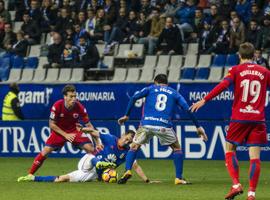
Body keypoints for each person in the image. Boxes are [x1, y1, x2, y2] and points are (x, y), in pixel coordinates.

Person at [190, 42, 270, 200]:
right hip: (258, 119)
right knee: (255, 158)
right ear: (254, 55)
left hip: (239, 117)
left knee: (230, 149)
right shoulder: (265, 72)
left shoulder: (235, 70)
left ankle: (236, 184)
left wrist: (205, 100)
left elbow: (223, 86)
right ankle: (252, 194)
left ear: (239, 56)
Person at [117, 74, 208, 185]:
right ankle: (178, 178)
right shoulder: (174, 92)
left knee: (134, 147)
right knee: (176, 148)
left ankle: (127, 170)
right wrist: (198, 126)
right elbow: (188, 109)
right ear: (167, 83)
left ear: (155, 82)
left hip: (146, 124)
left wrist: (126, 115)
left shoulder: (150, 88)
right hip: (163, 125)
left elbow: (134, 97)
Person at [20, 84, 107, 179]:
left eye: (75, 96)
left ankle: (99, 174)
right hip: (59, 131)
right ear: (65, 97)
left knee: (91, 149)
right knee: (46, 151)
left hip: (74, 130)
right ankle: (30, 175)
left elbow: (89, 125)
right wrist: (65, 135)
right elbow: (51, 124)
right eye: (71, 96)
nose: (74, 99)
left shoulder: (79, 106)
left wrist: (98, 142)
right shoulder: (57, 106)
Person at [18, 129, 155, 183]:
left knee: (62, 179)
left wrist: (147, 181)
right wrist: (82, 129)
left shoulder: (127, 152)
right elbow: (94, 132)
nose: (128, 141)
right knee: (93, 158)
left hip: (93, 174)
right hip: (88, 161)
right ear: (123, 135)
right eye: (128, 138)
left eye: (131, 140)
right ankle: (99, 163)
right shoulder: (110, 138)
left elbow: (135, 167)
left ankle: (33, 178)